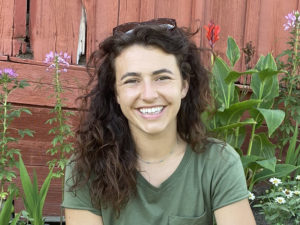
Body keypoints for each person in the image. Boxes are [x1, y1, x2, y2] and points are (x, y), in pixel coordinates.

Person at [62, 18, 256, 225]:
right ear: (116, 93)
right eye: (132, 81)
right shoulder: (86, 168)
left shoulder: (219, 163)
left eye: (162, 78)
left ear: (184, 86)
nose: (148, 94)